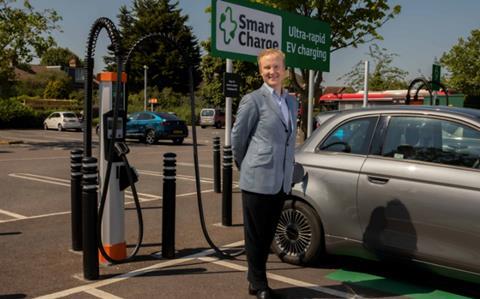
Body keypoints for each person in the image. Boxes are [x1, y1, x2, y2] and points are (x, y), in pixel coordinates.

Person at [231, 48, 297, 299]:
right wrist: (246, 164)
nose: (273, 71)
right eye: (267, 67)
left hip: (280, 180)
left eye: (277, 66)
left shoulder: (291, 101)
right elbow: (238, 138)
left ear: (285, 70)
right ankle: (259, 284)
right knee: (256, 235)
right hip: (257, 178)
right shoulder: (253, 99)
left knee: (268, 234)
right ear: (260, 70)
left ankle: (254, 279)